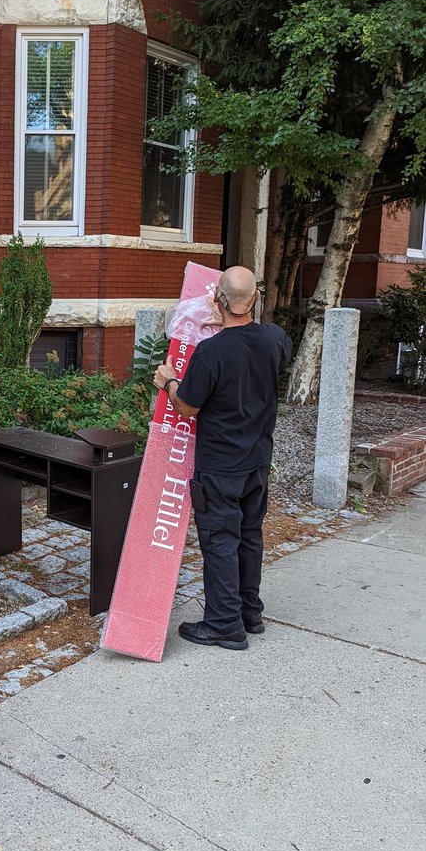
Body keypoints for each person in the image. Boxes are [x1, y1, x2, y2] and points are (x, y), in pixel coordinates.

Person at [152, 266, 292, 650]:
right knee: (249, 535)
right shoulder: (275, 339)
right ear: (256, 300)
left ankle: (224, 624)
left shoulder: (211, 351)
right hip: (257, 460)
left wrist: (168, 380)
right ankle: (250, 613)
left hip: (219, 466)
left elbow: (188, 406)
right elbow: (265, 352)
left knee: (219, 540)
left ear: (217, 301)